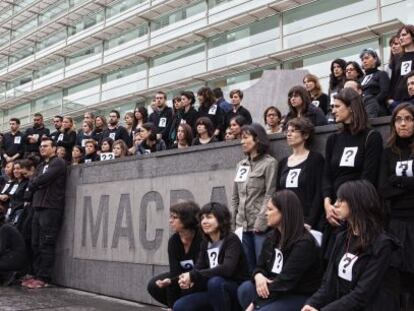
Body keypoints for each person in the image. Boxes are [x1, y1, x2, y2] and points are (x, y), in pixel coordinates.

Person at [302, 180, 400, 311]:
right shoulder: (342, 238)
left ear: (356, 203)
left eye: (341, 200)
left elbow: (362, 294)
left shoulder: (382, 244)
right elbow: (328, 283)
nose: (335, 204)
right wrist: (312, 303)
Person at [322, 88, 383, 261]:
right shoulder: (333, 139)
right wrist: (327, 204)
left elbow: (368, 179)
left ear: (351, 108)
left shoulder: (371, 137)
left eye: (337, 106)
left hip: (358, 213)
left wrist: (345, 206)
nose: (333, 110)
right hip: (333, 212)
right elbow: (327, 175)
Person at [238, 190, 322, 311]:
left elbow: (286, 281)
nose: (266, 213)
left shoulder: (304, 243)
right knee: (245, 289)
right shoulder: (271, 237)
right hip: (276, 287)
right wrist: (258, 275)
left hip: (298, 293)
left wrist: (255, 303)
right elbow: (260, 266)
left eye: (270, 209)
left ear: (284, 212)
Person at [173, 202, 249, 311]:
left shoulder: (231, 239)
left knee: (215, 282)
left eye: (209, 217)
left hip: (234, 290)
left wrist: (194, 276)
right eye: (202, 218)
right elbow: (199, 267)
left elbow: (227, 269)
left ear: (221, 219)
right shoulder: (206, 242)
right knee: (180, 306)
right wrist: (187, 278)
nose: (204, 221)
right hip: (213, 290)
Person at [379, 103, 414, 308]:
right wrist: (409, 183)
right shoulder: (388, 152)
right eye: (398, 119)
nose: (403, 124)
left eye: (408, 119)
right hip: (396, 224)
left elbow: (391, 183)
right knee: (398, 280)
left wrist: (397, 181)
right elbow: (383, 189)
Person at [232, 123, 278, 272]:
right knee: (247, 269)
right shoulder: (241, 165)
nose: (241, 142)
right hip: (242, 226)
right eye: (240, 138)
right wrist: (235, 220)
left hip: (260, 227)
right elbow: (235, 196)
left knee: (262, 267)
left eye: (245, 138)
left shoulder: (269, 163)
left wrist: (261, 221)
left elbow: (270, 194)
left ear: (257, 139)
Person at [22, 137, 66, 289]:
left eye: (46, 146)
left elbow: (42, 179)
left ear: (54, 148)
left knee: (46, 243)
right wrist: (35, 183)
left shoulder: (58, 162)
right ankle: (36, 274)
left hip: (51, 208)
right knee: (35, 243)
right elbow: (34, 180)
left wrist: (35, 183)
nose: (42, 148)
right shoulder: (41, 165)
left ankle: (44, 277)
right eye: (41, 146)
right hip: (37, 206)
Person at [147, 201, 202, 309]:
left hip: (200, 278)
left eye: (174, 217)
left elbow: (202, 270)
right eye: (170, 217)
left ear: (187, 219)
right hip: (181, 277)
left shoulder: (202, 238)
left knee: (187, 287)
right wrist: (171, 306)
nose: (170, 221)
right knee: (154, 285)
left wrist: (188, 279)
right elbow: (174, 273)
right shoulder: (174, 241)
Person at [277, 118, 324, 230]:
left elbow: (319, 193)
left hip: (306, 222)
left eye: (293, 131)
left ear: (305, 135)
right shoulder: (283, 162)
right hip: (286, 222)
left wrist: (310, 221)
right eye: (287, 131)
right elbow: (278, 192)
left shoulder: (315, 159)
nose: (288, 134)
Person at [359, 48, 390, 117]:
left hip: (378, 110)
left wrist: (371, 102)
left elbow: (384, 92)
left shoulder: (382, 74)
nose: (364, 61)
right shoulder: (361, 79)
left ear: (375, 59)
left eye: (366, 58)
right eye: (362, 60)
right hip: (363, 111)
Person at [0, 209, 27, 285]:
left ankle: (9, 275)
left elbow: (1, 249)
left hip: (15, 259)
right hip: (14, 258)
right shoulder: (5, 227)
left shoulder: (5, 229)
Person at [391, 25, 414, 106]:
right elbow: (393, 80)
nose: (400, 38)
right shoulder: (396, 58)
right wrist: (390, 100)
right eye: (400, 36)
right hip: (397, 100)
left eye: (404, 35)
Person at [6, 160, 29, 226]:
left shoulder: (27, 183)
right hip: (10, 211)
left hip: (19, 213)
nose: (15, 171)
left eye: (18, 169)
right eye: (14, 169)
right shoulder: (15, 183)